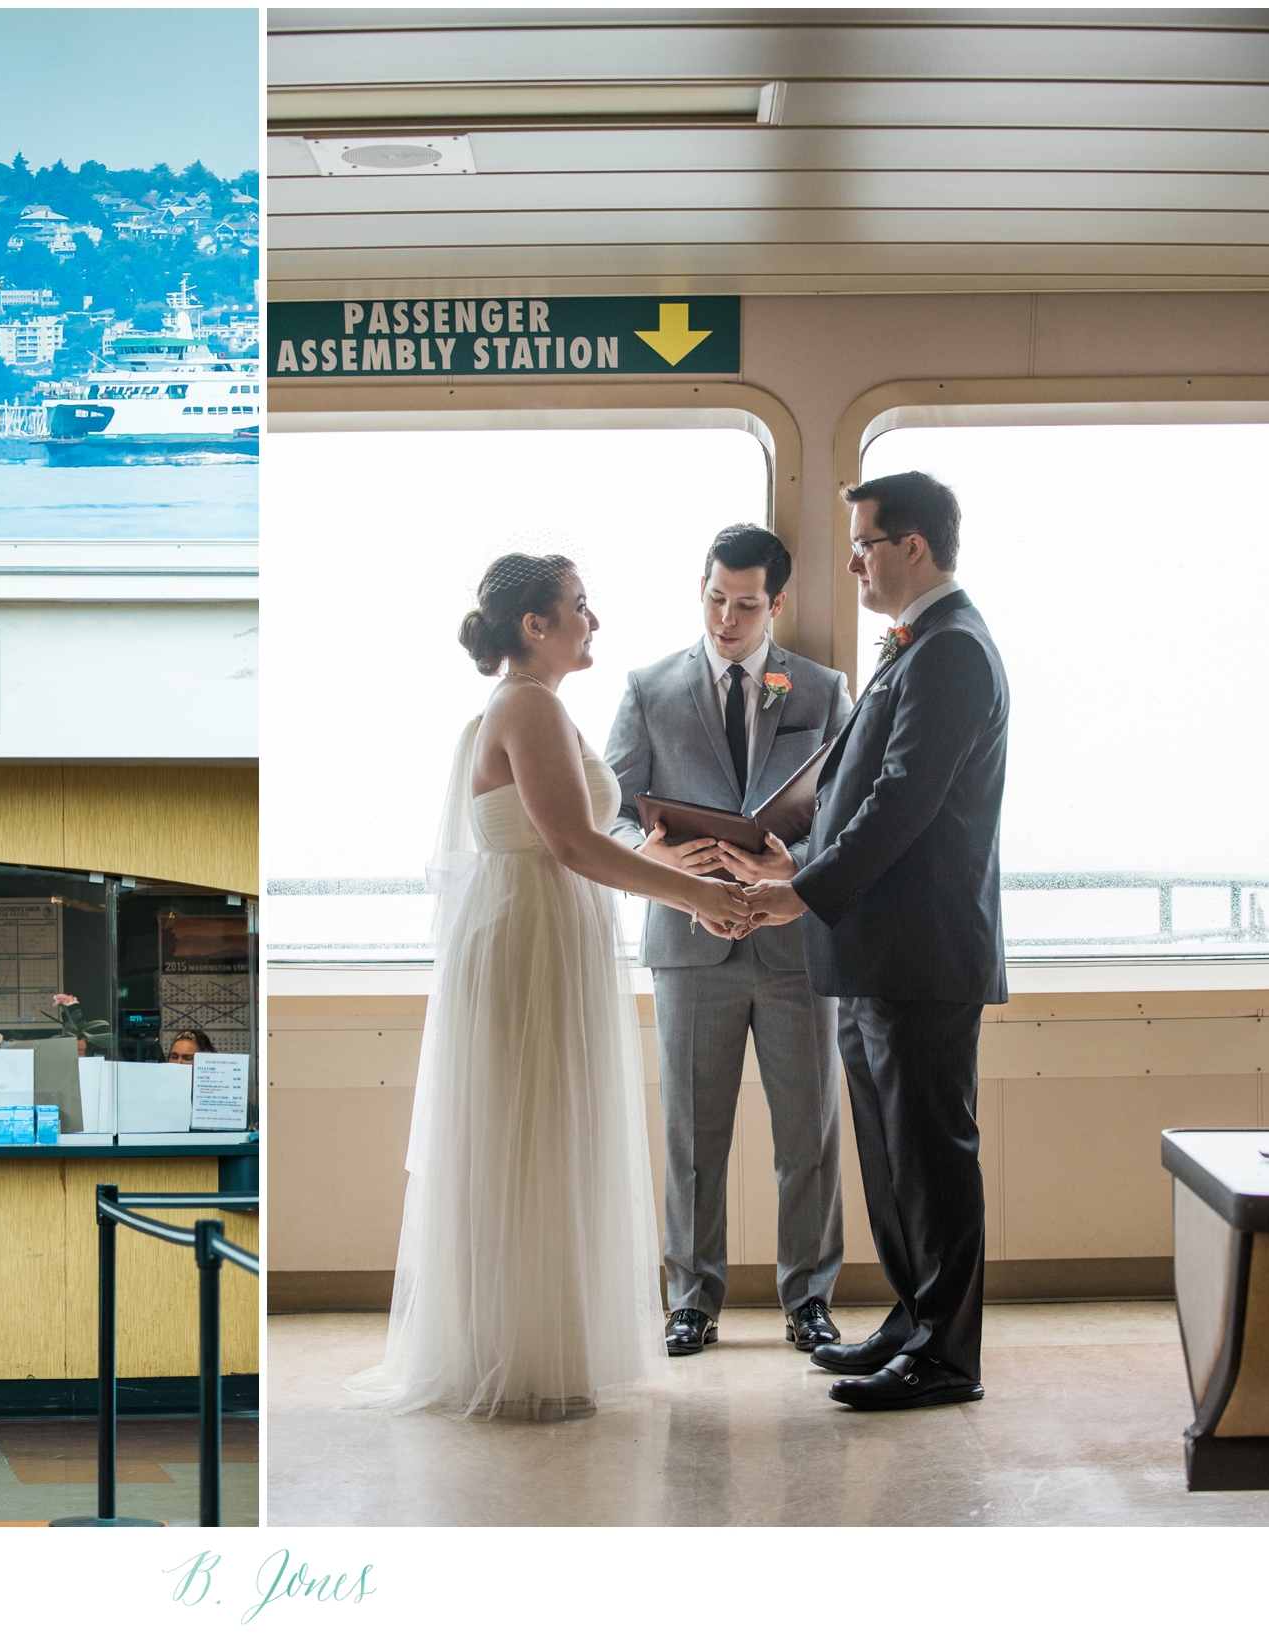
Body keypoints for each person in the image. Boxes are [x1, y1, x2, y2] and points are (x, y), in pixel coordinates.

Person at [350, 552, 756, 1421]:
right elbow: (570, 842)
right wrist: (699, 896)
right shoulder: (527, 705)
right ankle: (519, 1353)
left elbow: (570, 834)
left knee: (545, 1128)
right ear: (535, 626)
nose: (592, 621)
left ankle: (538, 1342)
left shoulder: (534, 706)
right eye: (578, 605)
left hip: (545, 925)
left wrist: (662, 860)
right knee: (532, 1126)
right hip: (530, 934)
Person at [745, 471, 1008, 1411]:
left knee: (933, 1154)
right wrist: (789, 863)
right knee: (891, 1152)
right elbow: (857, 795)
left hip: (922, 950)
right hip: (877, 948)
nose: (852, 557)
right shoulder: (915, 647)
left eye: (865, 541)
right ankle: (913, 1319)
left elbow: (904, 802)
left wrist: (802, 895)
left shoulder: (951, 651)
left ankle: (948, 1354)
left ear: (915, 548)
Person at [603, 524, 851, 1359]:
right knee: (691, 1135)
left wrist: (800, 865)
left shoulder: (821, 689)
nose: (726, 619)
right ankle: (690, 1300)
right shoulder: (647, 689)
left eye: (746, 605)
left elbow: (850, 822)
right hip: (688, 943)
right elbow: (606, 812)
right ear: (701, 588)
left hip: (793, 948)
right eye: (715, 599)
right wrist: (659, 854)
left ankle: (809, 1300)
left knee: (807, 1134)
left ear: (775, 603)